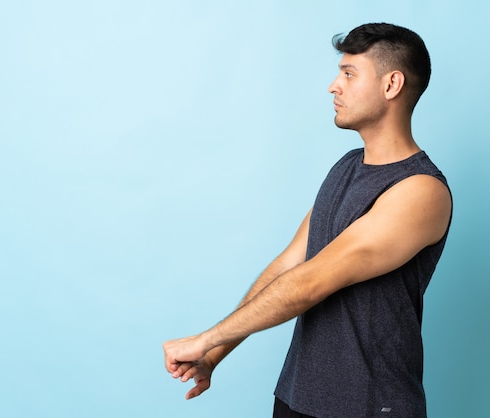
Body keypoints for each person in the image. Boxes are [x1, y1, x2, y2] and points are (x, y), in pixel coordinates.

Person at [163, 22, 452, 417]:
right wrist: (215, 353)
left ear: (392, 85)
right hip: (297, 397)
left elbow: (313, 280)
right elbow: (290, 263)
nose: (334, 86)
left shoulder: (421, 191)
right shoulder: (346, 167)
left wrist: (204, 339)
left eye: (349, 74)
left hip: (368, 406)